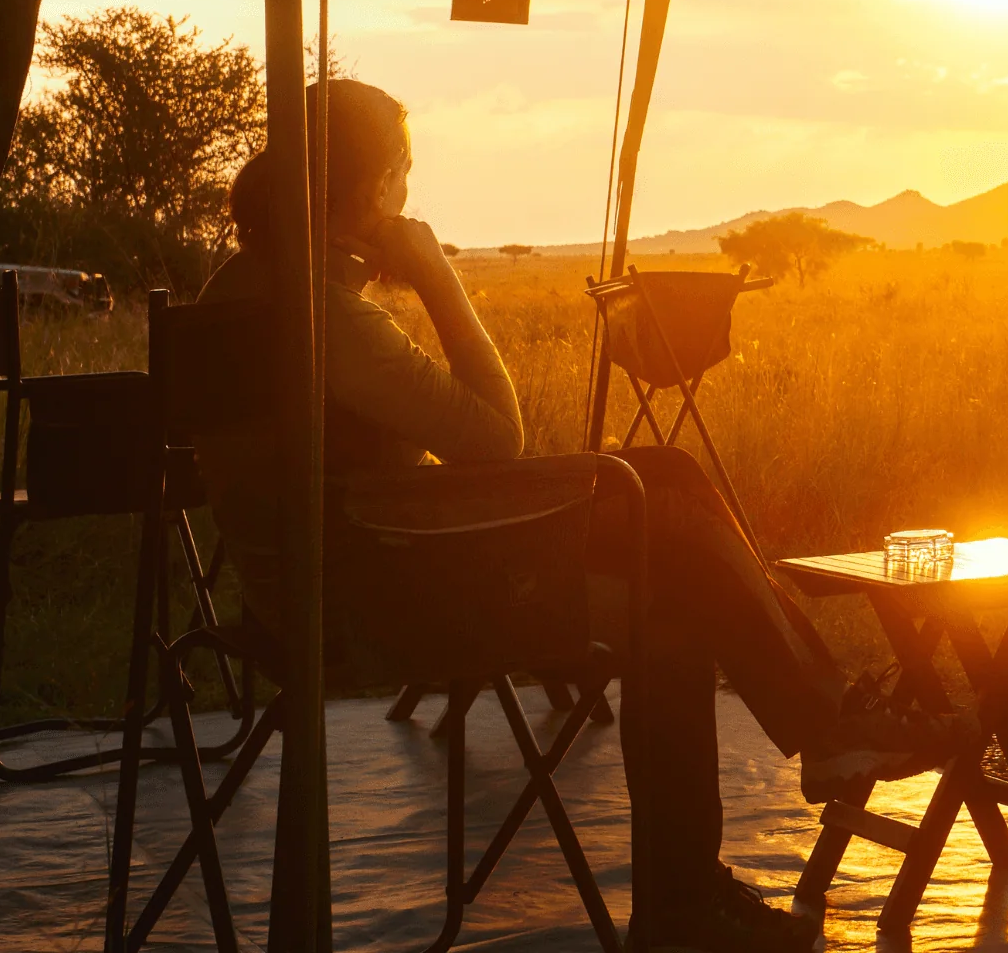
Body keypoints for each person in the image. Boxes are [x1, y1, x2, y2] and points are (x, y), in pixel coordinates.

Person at [208, 79, 965, 953]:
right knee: (666, 561)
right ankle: (749, 824)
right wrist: (434, 273)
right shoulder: (327, 317)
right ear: (376, 187)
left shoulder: (240, 288)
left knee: (661, 496)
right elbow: (496, 438)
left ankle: (807, 747)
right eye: (404, 173)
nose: (410, 196)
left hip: (314, 584)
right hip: (380, 605)